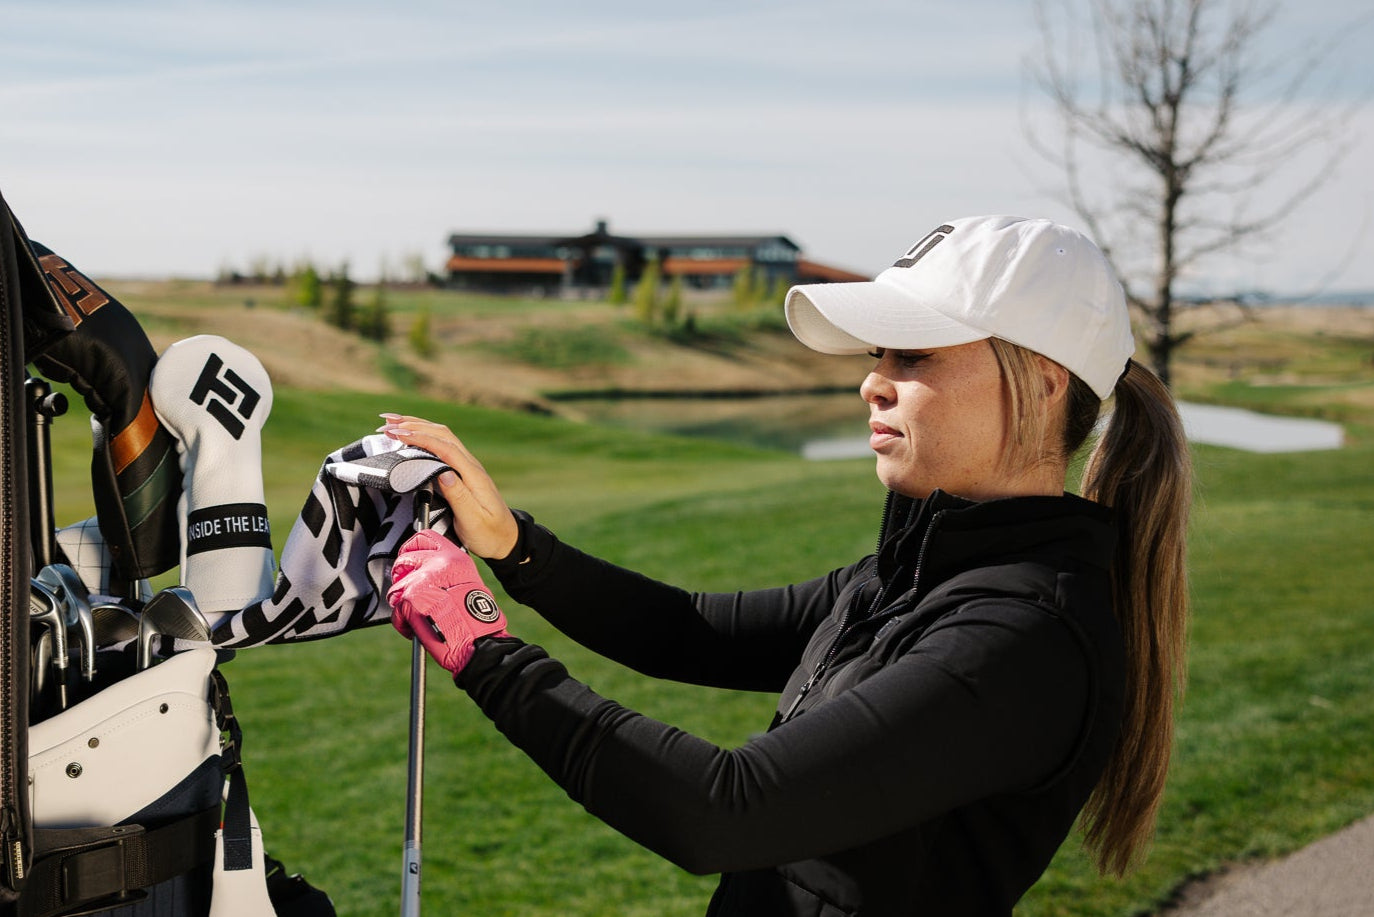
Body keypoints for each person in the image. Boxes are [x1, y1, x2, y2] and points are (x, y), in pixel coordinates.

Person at [381, 214, 1192, 916]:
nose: (872, 382)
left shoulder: (1023, 639)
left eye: (914, 356)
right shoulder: (910, 577)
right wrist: (516, 546)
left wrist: (485, 650)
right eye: (879, 353)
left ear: (1044, 383)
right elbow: (688, 630)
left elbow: (724, 810)